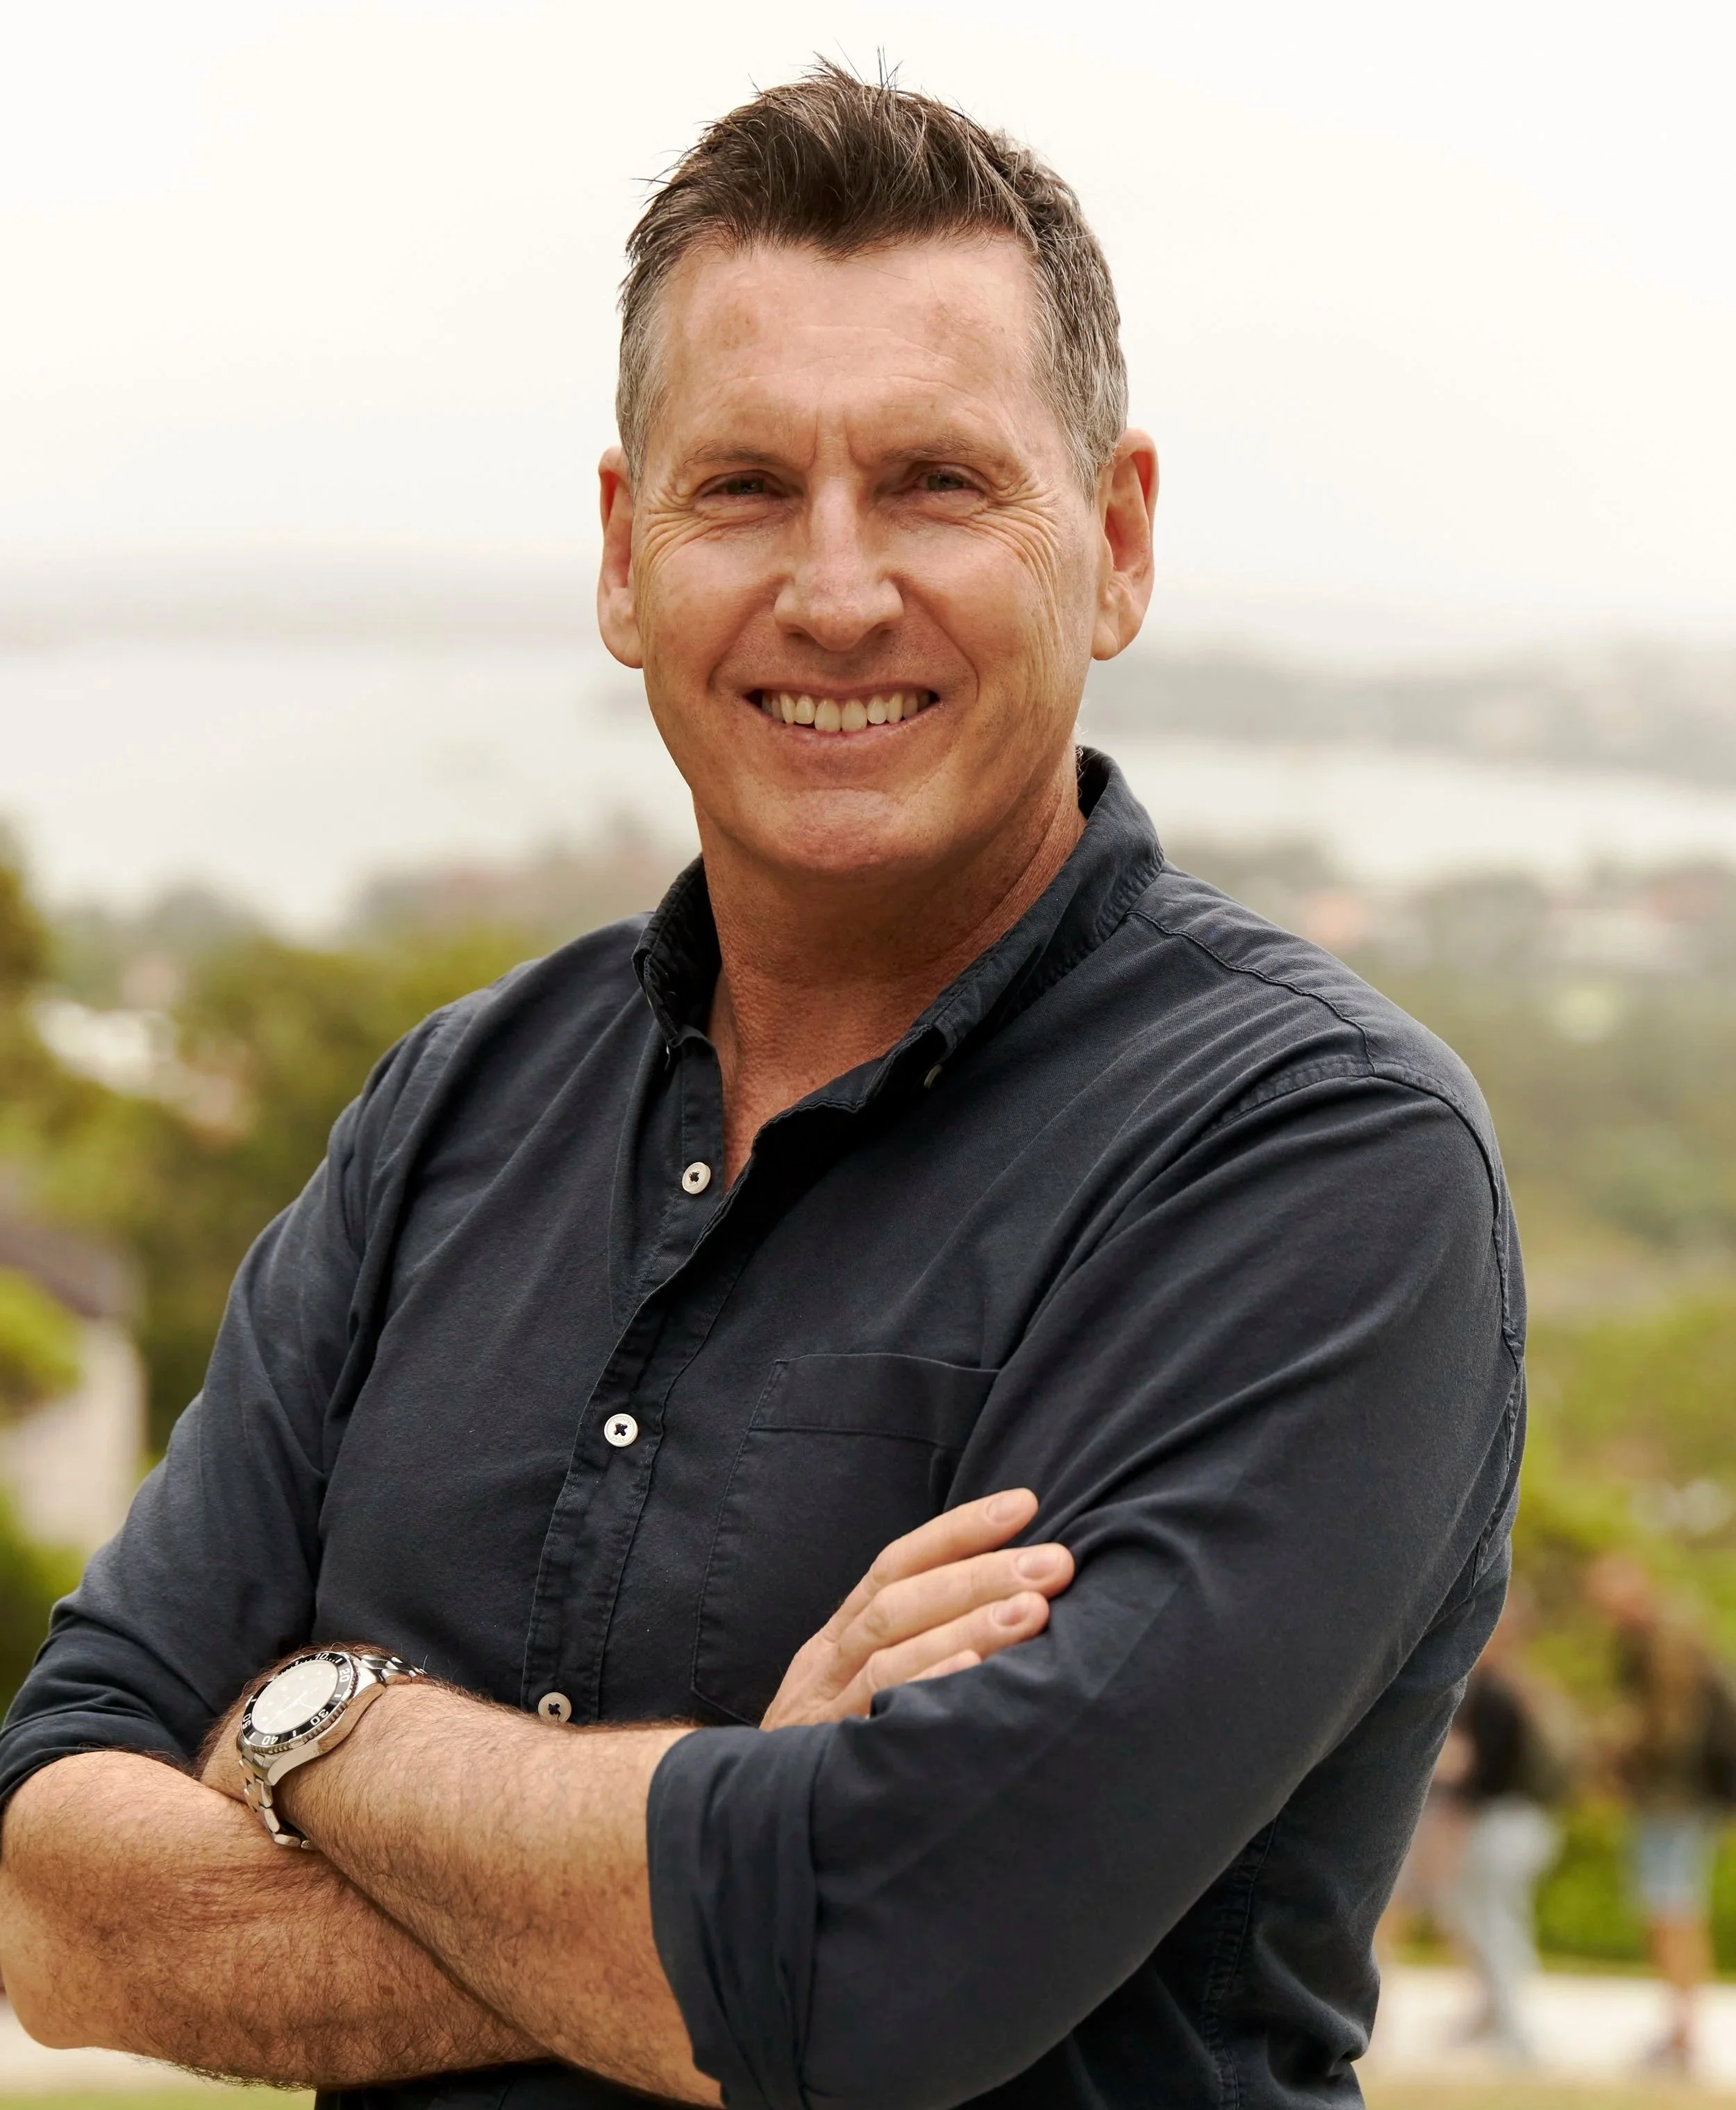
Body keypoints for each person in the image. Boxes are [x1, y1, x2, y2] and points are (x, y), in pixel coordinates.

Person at [0, 65, 1524, 2110]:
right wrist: (726, 1835)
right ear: (623, 555)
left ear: (1114, 541)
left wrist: (316, 1723)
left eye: (933, 482)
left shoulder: (1311, 1161)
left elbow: (879, 1961)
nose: (832, 589)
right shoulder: (448, 1116)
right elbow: (53, 1902)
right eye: (741, 489)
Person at [1587, 1552, 1731, 2074]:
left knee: (1674, 1912)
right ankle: (1680, 2030)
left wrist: (1618, 1744)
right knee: (1669, 1911)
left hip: (1677, 1801)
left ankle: (1685, 2035)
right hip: (1672, 1799)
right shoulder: (1647, 1638)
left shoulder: (1664, 1639)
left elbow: (1673, 1731)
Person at [1439, 1592, 1567, 2063]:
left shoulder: (1499, 1691)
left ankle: (1513, 2029)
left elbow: (1486, 1771)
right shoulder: (1515, 1686)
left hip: (1506, 1820)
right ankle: (1493, 2017)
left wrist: (1456, 1798)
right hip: (1516, 1820)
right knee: (1481, 1918)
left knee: (1495, 1922)